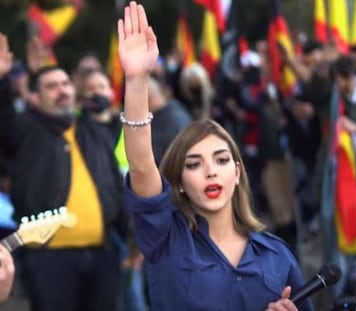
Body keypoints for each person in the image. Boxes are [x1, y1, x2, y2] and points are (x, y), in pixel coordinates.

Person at [118, 2, 314, 311]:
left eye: (221, 160)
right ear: (179, 182)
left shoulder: (277, 255)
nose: (210, 171)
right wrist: (137, 80)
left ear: (237, 173)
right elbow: (142, 166)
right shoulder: (165, 240)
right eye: (194, 164)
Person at [0, 33, 129, 310]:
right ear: (34, 97)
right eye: (52, 86)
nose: (62, 90)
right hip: (49, 258)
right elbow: (3, 119)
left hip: (102, 254)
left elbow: (114, 187)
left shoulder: (92, 132)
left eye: (65, 84)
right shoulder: (27, 131)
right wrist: (1, 81)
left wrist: (133, 236)